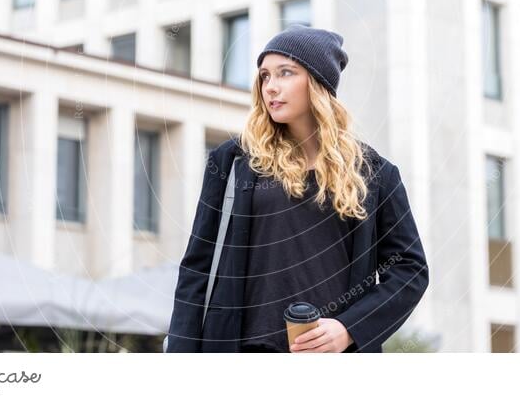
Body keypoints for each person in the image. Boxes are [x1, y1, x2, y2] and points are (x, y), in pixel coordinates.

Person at [166, 24, 429, 353]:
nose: (271, 87)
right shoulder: (232, 163)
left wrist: (349, 327)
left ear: (318, 83)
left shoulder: (374, 174)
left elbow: (410, 269)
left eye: (285, 73)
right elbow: (197, 268)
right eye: (264, 76)